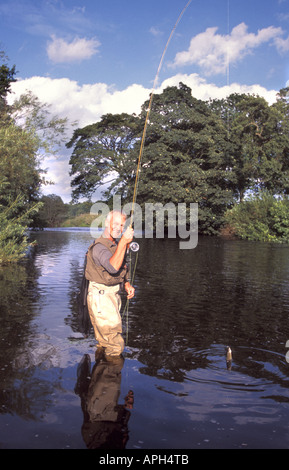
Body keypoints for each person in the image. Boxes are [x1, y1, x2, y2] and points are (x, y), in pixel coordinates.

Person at [85, 210, 135, 357]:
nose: (119, 228)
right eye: (115, 224)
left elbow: (121, 266)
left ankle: (100, 372)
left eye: (122, 225)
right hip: (101, 298)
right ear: (106, 223)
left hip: (111, 295)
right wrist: (124, 243)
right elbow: (112, 267)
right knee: (115, 346)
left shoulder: (115, 244)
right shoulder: (99, 247)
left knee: (104, 341)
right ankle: (110, 376)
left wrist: (126, 283)